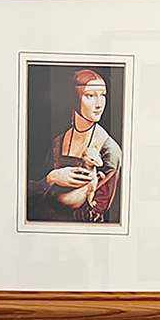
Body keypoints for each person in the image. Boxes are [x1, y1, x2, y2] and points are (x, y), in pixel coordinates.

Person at [27, 69, 123, 223]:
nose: (99, 104)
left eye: (103, 95)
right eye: (90, 96)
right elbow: (30, 196)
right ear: (74, 98)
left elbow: (96, 210)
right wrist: (52, 178)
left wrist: (55, 197)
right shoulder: (58, 142)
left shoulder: (110, 150)